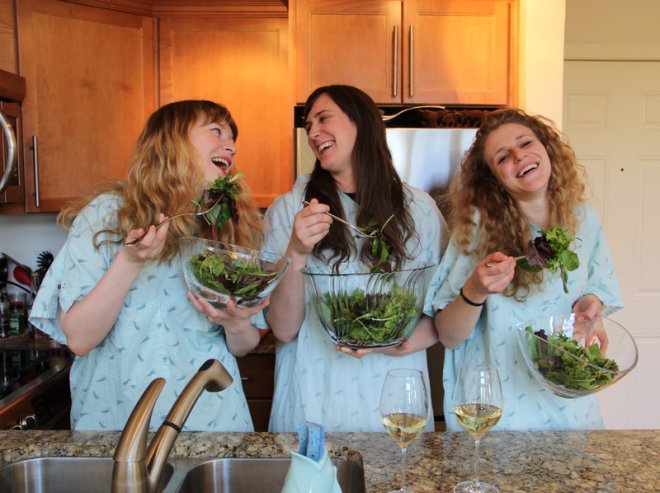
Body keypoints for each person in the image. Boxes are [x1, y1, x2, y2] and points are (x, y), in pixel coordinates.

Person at [30, 100, 268, 431]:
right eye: (216, 131)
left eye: (232, 137)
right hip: (117, 423)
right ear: (171, 142)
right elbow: (80, 339)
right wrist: (130, 260)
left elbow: (243, 345)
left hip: (212, 421)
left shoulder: (225, 225)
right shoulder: (107, 215)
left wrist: (236, 323)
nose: (231, 145)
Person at [263, 85, 448, 432]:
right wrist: (296, 251)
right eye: (308, 127)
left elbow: (446, 310)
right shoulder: (291, 208)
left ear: (361, 121)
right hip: (314, 397)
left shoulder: (419, 209)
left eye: (323, 118)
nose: (314, 133)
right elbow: (284, 328)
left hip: (396, 398)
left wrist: (409, 340)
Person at [430, 108, 622, 431]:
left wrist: (592, 306)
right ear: (493, 178)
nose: (519, 156)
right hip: (496, 420)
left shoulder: (582, 219)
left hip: (571, 415)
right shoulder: (477, 230)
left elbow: (597, 291)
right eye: (503, 157)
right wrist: (475, 290)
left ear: (545, 147)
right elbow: (447, 335)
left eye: (526, 143)